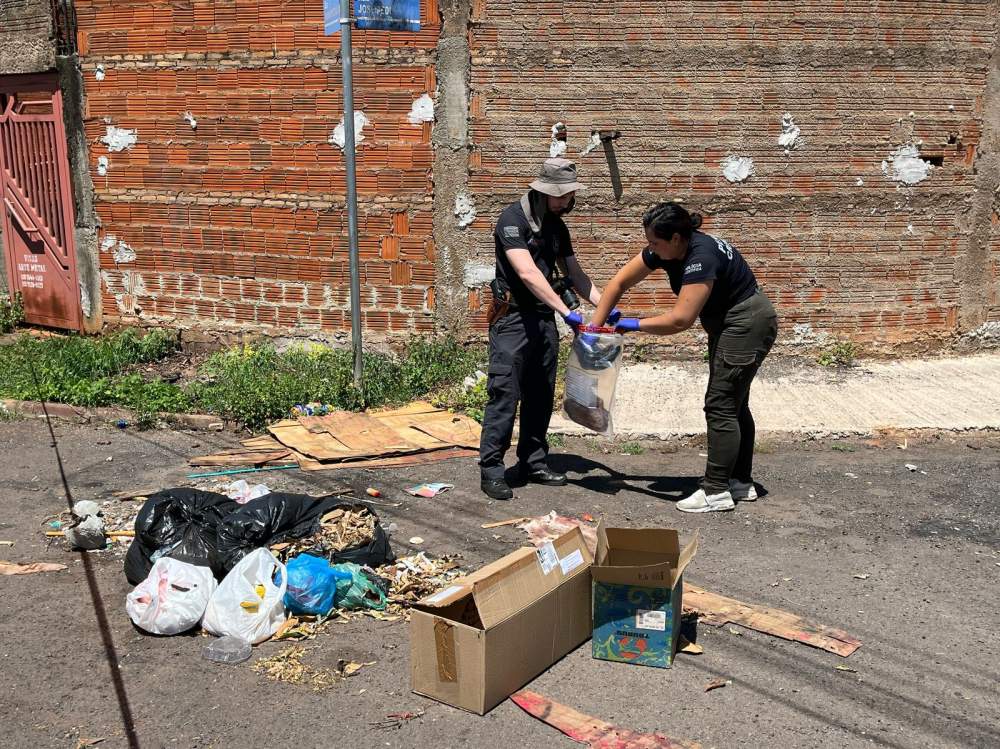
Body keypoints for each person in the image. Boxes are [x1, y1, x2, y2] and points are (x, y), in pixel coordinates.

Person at [591, 202, 778, 512]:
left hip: (747, 324)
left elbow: (681, 320)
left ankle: (716, 491)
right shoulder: (668, 248)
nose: (649, 248)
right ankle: (740, 483)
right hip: (731, 323)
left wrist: (630, 325)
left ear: (676, 238)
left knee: (720, 405)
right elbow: (619, 282)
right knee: (734, 403)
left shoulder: (700, 258)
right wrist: (594, 328)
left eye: (654, 242)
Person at [479, 158, 619, 500]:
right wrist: (566, 312)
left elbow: (577, 276)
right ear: (541, 190)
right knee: (505, 394)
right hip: (513, 319)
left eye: (567, 195)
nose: (563, 201)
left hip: (543, 320)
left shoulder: (557, 227)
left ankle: (533, 462)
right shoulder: (511, 220)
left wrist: (605, 306)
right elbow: (527, 273)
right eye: (557, 195)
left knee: (541, 395)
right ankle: (492, 470)